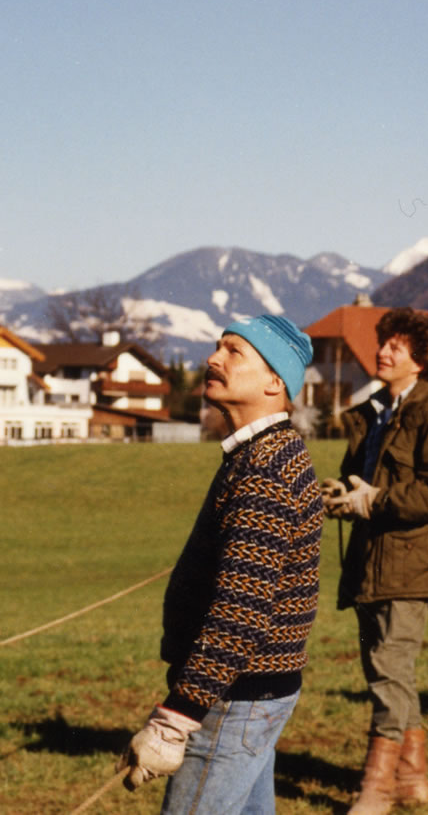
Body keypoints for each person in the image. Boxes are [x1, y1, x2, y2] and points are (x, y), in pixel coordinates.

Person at [116, 314, 324, 815]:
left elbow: (240, 614)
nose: (213, 359)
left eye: (235, 352)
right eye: (217, 346)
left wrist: (175, 720)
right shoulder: (263, 454)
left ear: (275, 382)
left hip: (234, 698)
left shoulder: (265, 472)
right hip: (250, 693)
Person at [323, 307, 428, 814]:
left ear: (421, 359)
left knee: (389, 666)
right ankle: (413, 781)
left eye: (396, 345)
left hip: (412, 560)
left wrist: (375, 502)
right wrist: (343, 494)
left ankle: (378, 787)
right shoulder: (374, 412)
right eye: (383, 342)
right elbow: (363, 479)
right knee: (385, 667)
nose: (383, 351)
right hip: (369, 558)